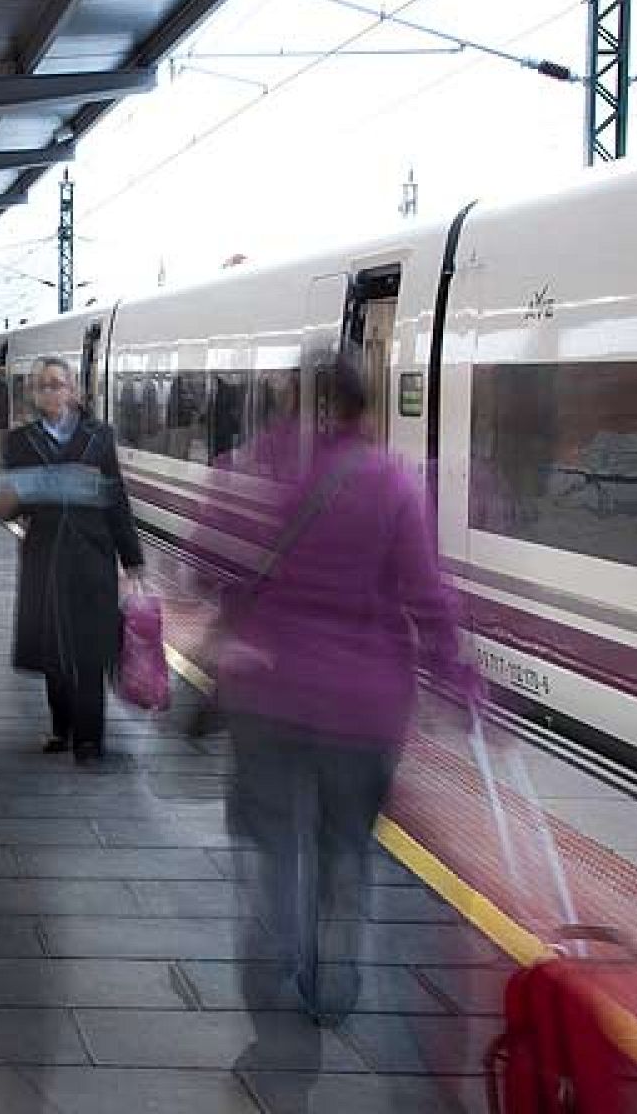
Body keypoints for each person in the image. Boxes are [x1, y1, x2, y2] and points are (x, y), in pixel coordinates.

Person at [215, 349, 480, 1058]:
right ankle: (332, 987)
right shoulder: (392, 482)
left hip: (268, 698)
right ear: (368, 408)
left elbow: (212, 565)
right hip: (364, 707)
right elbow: (427, 597)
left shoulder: (258, 468)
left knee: (278, 851)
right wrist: (461, 681)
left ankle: (271, 977)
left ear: (297, 405)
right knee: (343, 851)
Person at [0, 356, 144, 763]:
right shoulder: (19, 442)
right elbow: (8, 506)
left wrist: (132, 561)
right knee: (53, 647)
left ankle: (90, 739)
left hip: (93, 555)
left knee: (90, 648)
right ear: (33, 395)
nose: (51, 392)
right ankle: (62, 727)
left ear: (75, 390)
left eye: (58, 384)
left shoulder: (100, 437)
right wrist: (4, 500)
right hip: (46, 554)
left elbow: (117, 501)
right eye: (43, 386)